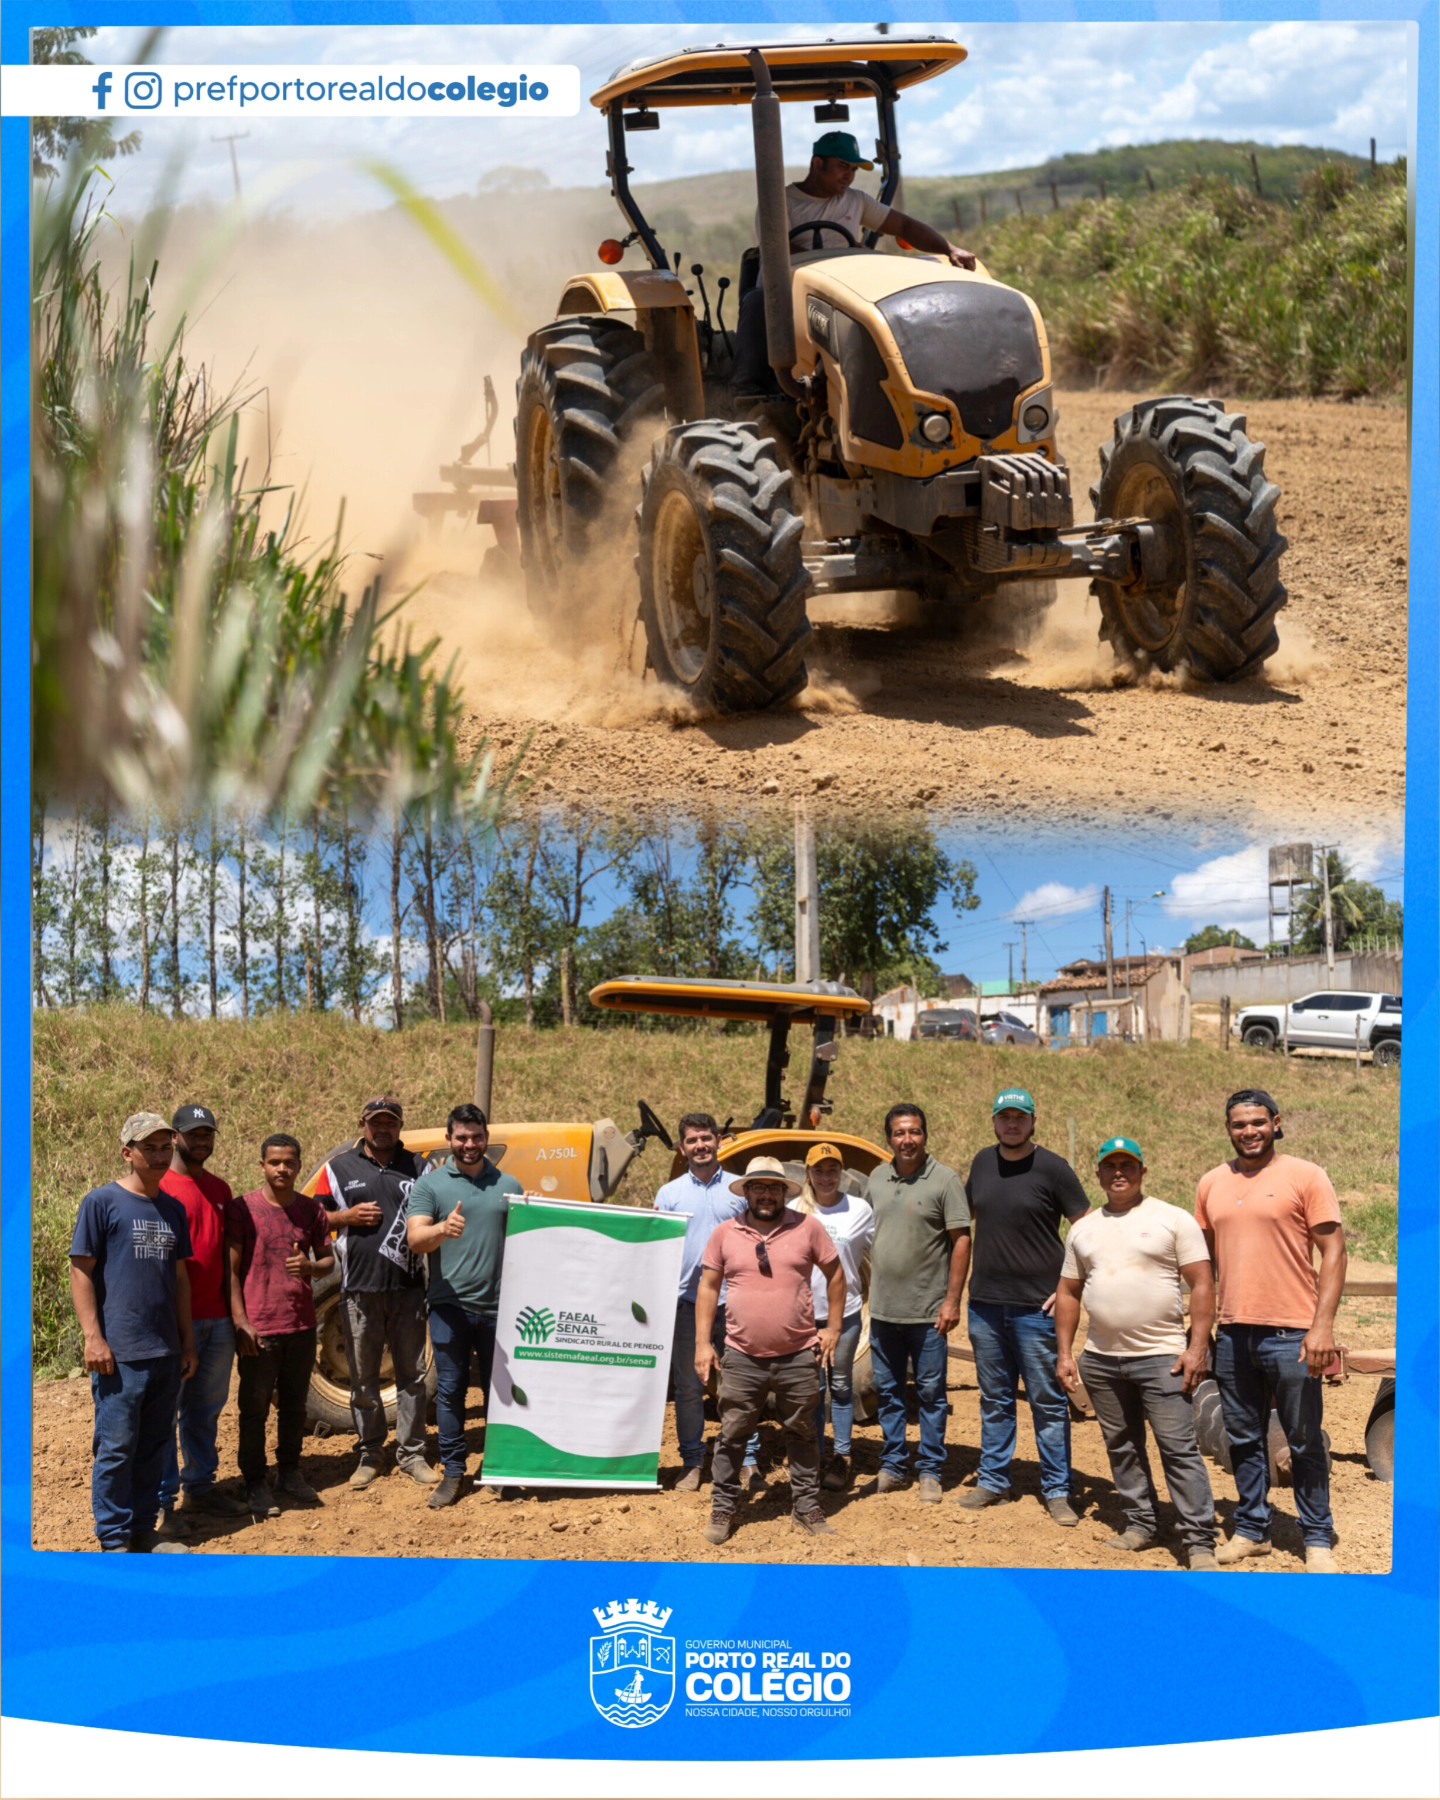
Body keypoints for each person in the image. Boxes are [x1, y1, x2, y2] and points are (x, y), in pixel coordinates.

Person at [1196, 1089, 1347, 1572]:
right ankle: (1253, 1530)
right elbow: (1202, 1266)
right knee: (1243, 1437)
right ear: (1228, 1128)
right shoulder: (1211, 1183)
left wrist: (1321, 1326)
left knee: (1303, 1437)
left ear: (1276, 1123)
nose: (1249, 1132)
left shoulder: (1306, 1176)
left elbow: (1335, 1252)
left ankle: (1317, 1536)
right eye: (1239, 1124)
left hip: (1292, 1333)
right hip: (1235, 1332)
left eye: (1258, 1122)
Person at [1055, 1137, 1218, 1571]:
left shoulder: (1172, 1219)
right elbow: (1068, 1291)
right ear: (1099, 1175)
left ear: (1143, 1172)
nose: (1119, 1173)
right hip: (1103, 1360)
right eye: (1110, 1166)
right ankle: (1141, 1522)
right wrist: (1066, 1353)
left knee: (1177, 1448)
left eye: (1128, 1165)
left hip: (1162, 1357)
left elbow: (1202, 1284)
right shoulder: (1084, 1228)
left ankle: (1199, 1539)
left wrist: (1197, 1346)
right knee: (1122, 1445)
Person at [733, 130, 978, 396]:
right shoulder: (780, 203)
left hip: (841, 286)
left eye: (853, 169)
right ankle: (751, 389)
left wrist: (949, 249)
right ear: (818, 163)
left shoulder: (855, 200)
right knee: (758, 301)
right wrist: (844, 251)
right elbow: (778, 246)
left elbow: (905, 226)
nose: (849, 175)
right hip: (789, 288)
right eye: (842, 166)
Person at [694, 1157, 845, 1544]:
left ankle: (806, 1505)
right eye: (757, 1187)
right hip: (742, 1356)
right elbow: (709, 1287)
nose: (765, 1194)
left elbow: (836, 1274)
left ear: (784, 1192)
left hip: (798, 1354)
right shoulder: (726, 1233)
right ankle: (724, 1507)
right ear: (746, 1192)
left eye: (773, 1187)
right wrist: (702, 1344)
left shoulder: (808, 1228)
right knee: (732, 1434)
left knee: (804, 1433)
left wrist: (834, 1327)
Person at [69, 1112, 199, 1553]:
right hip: (119, 1353)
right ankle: (114, 1538)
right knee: (117, 1449)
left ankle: (144, 1530)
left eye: (165, 1147)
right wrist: (93, 1337)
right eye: (150, 1147)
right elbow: (81, 1271)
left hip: (165, 1350)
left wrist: (187, 1341)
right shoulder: (102, 1202)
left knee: (154, 1446)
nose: (160, 1155)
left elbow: (180, 1279)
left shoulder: (173, 1209)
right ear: (128, 1152)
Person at [962, 1088, 1090, 1524]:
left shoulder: (1053, 1168)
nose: (1011, 1125)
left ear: (1033, 1122)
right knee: (995, 1399)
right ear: (994, 1122)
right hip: (984, 1307)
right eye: (1004, 1118)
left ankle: (1057, 1489)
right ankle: (995, 1479)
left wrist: (1073, 1285)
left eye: (1020, 1118)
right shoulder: (982, 1163)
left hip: (1039, 1308)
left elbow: (1087, 1230)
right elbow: (964, 1221)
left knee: (1048, 1401)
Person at [312, 1097, 438, 1488]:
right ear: (362, 1123)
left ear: (400, 1127)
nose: (383, 1129)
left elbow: (439, 1217)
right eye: (376, 1122)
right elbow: (313, 1218)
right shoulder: (337, 1168)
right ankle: (370, 1453)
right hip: (358, 1291)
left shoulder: (422, 1168)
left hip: (409, 1291)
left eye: (391, 1123)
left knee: (413, 1376)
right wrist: (345, 1217)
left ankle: (412, 1454)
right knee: (364, 1378)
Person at [406, 1104, 525, 1509]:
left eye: (476, 1137)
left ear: (486, 1138)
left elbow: (527, 1241)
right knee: (451, 1392)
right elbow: (415, 1240)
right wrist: (441, 1229)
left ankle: (501, 1469)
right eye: (462, 1137)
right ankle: (454, 1473)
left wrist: (535, 1211)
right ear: (449, 1139)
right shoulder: (432, 1186)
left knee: (501, 1395)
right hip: (449, 1307)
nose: (469, 1145)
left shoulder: (509, 1183)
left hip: (500, 1308)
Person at [866, 1104, 971, 1502]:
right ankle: (893, 1463)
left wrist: (952, 1301)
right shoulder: (876, 1178)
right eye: (899, 1133)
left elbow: (961, 1240)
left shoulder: (944, 1181)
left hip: (929, 1313)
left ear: (925, 1135)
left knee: (930, 1393)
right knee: (888, 1391)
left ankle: (930, 1468)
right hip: (883, 1310)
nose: (906, 1140)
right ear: (888, 1138)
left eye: (914, 1132)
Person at [228, 1135, 334, 1517]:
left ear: (298, 1165)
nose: (282, 1169)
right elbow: (232, 1270)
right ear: (262, 1166)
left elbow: (328, 1262)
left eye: (289, 1162)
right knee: (253, 1409)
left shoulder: (311, 1211)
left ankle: (289, 1472)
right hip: (260, 1328)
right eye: (274, 1162)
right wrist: (241, 1322)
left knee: (294, 1407)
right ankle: (255, 1481)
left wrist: (309, 1267)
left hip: (301, 1326)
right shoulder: (243, 1209)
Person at [652, 1112, 759, 1492]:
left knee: (740, 1387)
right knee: (688, 1387)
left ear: (718, 1141)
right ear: (683, 1148)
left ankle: (747, 1461)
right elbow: (658, 1247)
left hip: (735, 1303)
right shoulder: (669, 1194)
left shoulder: (739, 1190)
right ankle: (694, 1462)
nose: (700, 1146)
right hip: (686, 1302)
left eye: (706, 1139)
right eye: (693, 1140)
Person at [156, 1103, 248, 1527]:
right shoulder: (158, 1187)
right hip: (174, 1324)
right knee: (163, 1413)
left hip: (217, 1321)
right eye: (192, 1134)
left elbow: (229, 1259)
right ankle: (162, 1504)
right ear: (174, 1137)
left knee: (206, 1410)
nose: (201, 1141)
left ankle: (200, 1489)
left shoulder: (220, 1189)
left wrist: (236, 1316)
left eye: (207, 1134)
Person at [791, 1143, 874, 1492]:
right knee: (813, 1389)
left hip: (847, 1313)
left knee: (840, 1386)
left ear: (841, 1173)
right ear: (808, 1173)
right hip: (804, 1316)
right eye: (819, 1170)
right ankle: (815, 1455)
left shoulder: (860, 1209)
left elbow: (878, 1256)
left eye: (832, 1170)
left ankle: (841, 1456)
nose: (826, 1177)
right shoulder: (795, 1209)